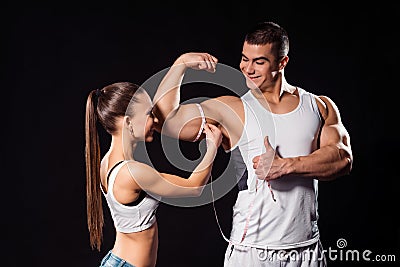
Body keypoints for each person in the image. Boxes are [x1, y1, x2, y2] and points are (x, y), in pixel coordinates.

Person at [152, 21, 353, 266]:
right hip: (253, 251)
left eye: (259, 61)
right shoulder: (233, 109)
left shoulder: (318, 106)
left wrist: (286, 166)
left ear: (282, 63)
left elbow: (342, 158)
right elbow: (167, 122)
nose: (248, 69)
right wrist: (180, 65)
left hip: (306, 249)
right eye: (244, 59)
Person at [85, 81, 222, 267]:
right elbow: (194, 187)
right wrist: (212, 148)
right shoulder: (132, 172)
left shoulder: (107, 163)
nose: (156, 121)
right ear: (128, 122)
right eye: (149, 114)